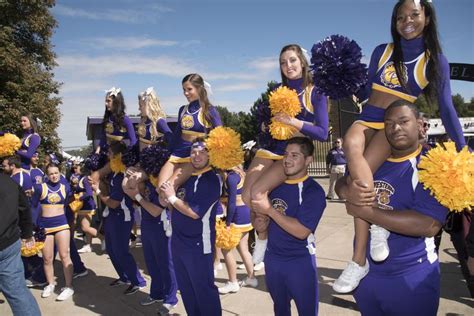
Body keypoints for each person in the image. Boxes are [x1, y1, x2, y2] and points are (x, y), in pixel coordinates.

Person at [334, 0, 467, 293]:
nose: (407, 21)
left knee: (359, 178)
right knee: (353, 151)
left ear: (427, 18)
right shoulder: (383, 51)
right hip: (366, 118)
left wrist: (463, 150)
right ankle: (376, 224)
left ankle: (358, 258)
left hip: (388, 126)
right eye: (400, 17)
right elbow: (367, 89)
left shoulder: (435, 60)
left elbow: (446, 106)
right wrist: (343, 79)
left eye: (414, 14)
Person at [335, 101, 448, 314]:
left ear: (420, 124)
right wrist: (346, 191)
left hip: (411, 276)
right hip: (366, 277)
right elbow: (344, 182)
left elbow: (429, 224)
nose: (396, 128)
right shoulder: (375, 161)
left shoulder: (433, 164)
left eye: (403, 121)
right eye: (389, 123)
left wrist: (366, 212)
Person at [242, 44, 329, 264]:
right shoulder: (279, 90)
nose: (287, 66)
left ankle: (262, 240)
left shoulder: (315, 91)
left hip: (290, 153)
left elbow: (322, 133)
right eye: (283, 62)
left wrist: (293, 122)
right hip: (270, 148)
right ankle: (262, 233)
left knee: (259, 193)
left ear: (302, 62)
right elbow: (268, 121)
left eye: (292, 60)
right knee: (246, 195)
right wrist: (265, 126)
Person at [251, 137, 326, 316]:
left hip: (299, 262)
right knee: (280, 310)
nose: (287, 159)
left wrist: (269, 210)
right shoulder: (273, 186)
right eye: (285, 154)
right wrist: (260, 226)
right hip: (273, 260)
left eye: (295, 155)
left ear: (308, 160)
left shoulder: (313, 191)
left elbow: (301, 231)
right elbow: (258, 213)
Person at [159, 138, 222, 316]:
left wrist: (171, 197)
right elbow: (173, 205)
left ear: (211, 155)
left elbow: (194, 213)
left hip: (198, 244)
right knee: (187, 289)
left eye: (202, 151)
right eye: (194, 151)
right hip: (178, 242)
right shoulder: (186, 178)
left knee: (203, 290)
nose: (197, 155)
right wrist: (165, 196)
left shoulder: (211, 180)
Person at [90, 141, 146, 295]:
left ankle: (138, 281)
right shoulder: (115, 172)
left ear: (118, 155)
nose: (107, 156)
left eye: (109, 153)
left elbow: (114, 203)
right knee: (112, 250)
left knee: (121, 251)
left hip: (122, 216)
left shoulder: (124, 174)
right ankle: (124, 277)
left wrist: (98, 192)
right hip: (113, 215)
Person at [157, 73, 222, 195]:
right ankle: (174, 212)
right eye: (184, 90)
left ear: (200, 88)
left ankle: (177, 212)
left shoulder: (209, 110)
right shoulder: (183, 109)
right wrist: (167, 151)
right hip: (177, 153)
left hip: (193, 155)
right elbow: (176, 136)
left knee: (168, 188)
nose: (186, 93)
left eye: (189, 89)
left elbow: (222, 136)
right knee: (160, 187)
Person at [123, 179, 178, 310]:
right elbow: (126, 188)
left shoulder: (164, 181)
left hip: (161, 226)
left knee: (166, 264)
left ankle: (171, 298)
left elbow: (155, 211)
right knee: (151, 262)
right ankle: (156, 293)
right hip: (147, 225)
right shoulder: (145, 180)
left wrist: (137, 196)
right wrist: (131, 175)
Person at [0, 174, 41, 315]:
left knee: (17, 291)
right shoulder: (9, 181)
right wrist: (27, 234)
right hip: (9, 243)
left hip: (8, 245)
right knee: (17, 292)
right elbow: (24, 208)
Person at [32, 163, 74, 301]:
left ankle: (69, 287)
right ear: (46, 175)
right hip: (45, 226)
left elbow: (67, 201)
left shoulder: (65, 187)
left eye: (56, 173)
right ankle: (51, 284)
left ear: (60, 172)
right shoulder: (40, 188)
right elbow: (33, 206)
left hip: (61, 225)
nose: (54, 176)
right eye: (51, 173)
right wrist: (34, 227)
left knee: (64, 255)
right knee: (47, 258)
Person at [217, 166, 258, 294]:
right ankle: (251, 278)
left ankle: (232, 282)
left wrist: (228, 223)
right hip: (245, 212)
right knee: (243, 248)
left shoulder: (232, 177)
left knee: (226, 249)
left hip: (238, 216)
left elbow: (232, 202)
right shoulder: (240, 172)